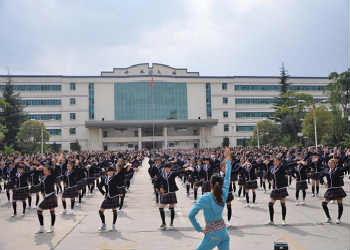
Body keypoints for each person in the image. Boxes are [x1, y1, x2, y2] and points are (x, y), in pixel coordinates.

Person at [188, 148, 232, 250]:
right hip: (224, 233)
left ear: (210, 184)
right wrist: (228, 158)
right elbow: (228, 177)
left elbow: (191, 215)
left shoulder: (205, 198)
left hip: (212, 234)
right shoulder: (224, 192)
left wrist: (199, 228)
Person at [156, 162, 183, 230]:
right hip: (164, 192)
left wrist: (186, 168)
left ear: (170, 168)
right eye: (166, 168)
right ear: (164, 168)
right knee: (161, 207)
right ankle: (163, 223)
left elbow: (179, 172)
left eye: (169, 168)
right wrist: (159, 188)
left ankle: (171, 222)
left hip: (171, 192)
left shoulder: (172, 173)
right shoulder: (161, 174)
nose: (168, 169)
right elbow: (157, 182)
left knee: (171, 207)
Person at [321, 158, 349, 224]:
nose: (330, 164)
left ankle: (338, 218)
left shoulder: (338, 169)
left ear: (334, 164)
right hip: (330, 189)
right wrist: (323, 182)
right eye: (329, 163)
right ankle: (328, 217)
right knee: (324, 204)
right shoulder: (326, 170)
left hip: (338, 188)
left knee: (340, 204)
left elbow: (346, 167)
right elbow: (320, 176)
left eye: (332, 163)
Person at [97, 166, 124, 231]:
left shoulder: (115, 178)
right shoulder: (105, 179)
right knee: (101, 211)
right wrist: (103, 193)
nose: (111, 173)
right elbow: (99, 186)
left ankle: (113, 225)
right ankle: (103, 225)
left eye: (112, 172)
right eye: (109, 171)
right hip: (107, 197)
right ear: (107, 172)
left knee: (114, 210)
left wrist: (121, 192)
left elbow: (120, 184)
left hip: (114, 196)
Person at [267, 154, 289, 225]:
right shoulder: (272, 167)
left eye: (276, 160)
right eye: (274, 160)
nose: (274, 162)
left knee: (283, 204)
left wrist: (297, 162)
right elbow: (269, 175)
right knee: (270, 204)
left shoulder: (281, 167)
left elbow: (288, 164)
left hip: (281, 188)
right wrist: (270, 180)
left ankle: (283, 220)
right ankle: (271, 220)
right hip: (275, 189)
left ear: (279, 161)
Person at [36, 165, 58, 233]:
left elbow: (56, 172)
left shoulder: (51, 177)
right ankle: (42, 227)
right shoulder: (43, 177)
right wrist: (42, 193)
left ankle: (52, 227)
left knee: (51, 210)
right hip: (46, 196)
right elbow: (42, 186)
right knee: (39, 210)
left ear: (49, 171)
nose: (44, 171)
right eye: (43, 170)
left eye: (45, 170)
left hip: (51, 195)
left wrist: (57, 160)